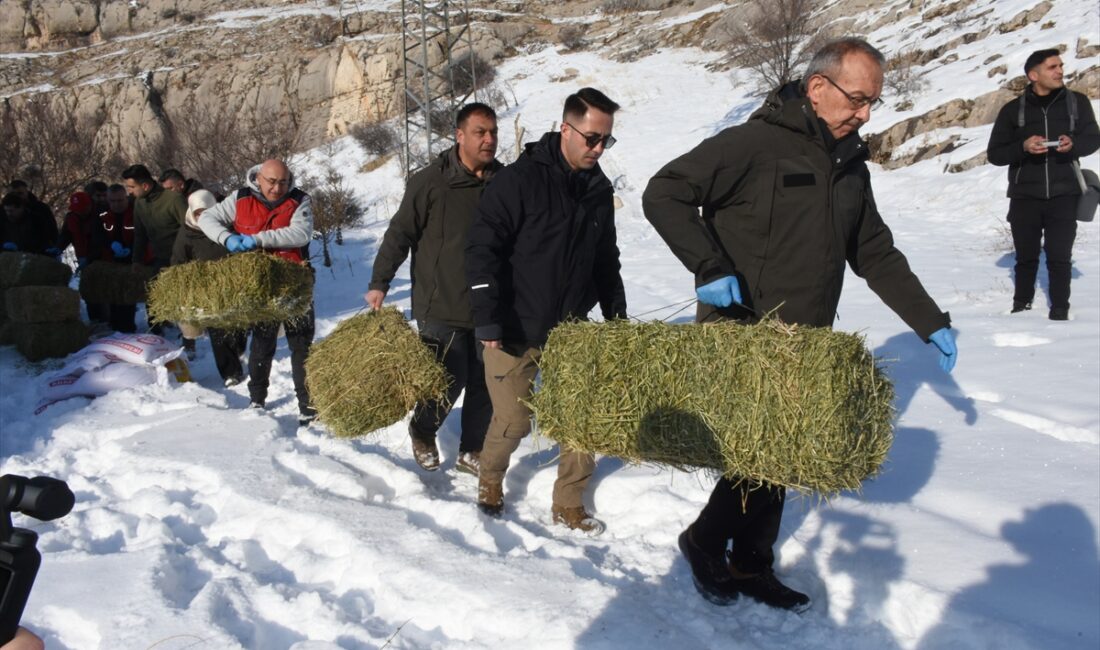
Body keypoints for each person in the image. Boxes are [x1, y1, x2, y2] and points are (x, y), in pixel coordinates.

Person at [642, 38, 957, 611]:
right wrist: (708, 265)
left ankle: (750, 562)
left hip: (805, 338)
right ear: (818, 89)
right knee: (755, 451)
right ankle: (705, 542)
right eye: (858, 99)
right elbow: (664, 192)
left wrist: (929, 320)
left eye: (872, 103)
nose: (864, 113)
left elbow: (875, 252)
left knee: (780, 453)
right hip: (743, 331)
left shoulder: (849, 166)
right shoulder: (753, 144)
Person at [465, 88, 627, 534]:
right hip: (514, 325)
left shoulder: (597, 189)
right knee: (514, 419)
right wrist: (488, 316)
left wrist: (617, 315)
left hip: (571, 327)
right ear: (566, 128)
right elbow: (482, 250)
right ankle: (491, 477)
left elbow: (605, 257)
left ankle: (569, 502)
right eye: (592, 138)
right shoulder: (518, 181)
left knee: (580, 415)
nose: (597, 149)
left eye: (605, 141)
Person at [366, 103, 502, 475]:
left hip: (487, 303)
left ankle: (471, 449)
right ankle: (422, 431)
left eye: (493, 132)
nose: (489, 139)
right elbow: (400, 233)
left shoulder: (504, 181)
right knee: (447, 378)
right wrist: (380, 282)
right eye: (480, 132)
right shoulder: (430, 182)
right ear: (459, 136)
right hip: (438, 301)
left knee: (486, 382)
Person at [199, 159, 317, 426]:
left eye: (283, 182)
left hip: (294, 281)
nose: (277, 188)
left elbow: (301, 233)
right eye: (272, 182)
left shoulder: (300, 200)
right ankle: (257, 399)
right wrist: (226, 238)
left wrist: (259, 239)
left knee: (301, 344)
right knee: (263, 343)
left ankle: (307, 405)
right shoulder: (240, 198)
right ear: (259, 178)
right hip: (259, 284)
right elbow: (207, 217)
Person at [986, 48, 1100, 321]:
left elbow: (1093, 139)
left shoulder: (1077, 103)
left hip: (1065, 194)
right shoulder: (1013, 110)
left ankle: (1060, 310)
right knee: (1026, 257)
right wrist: (1023, 147)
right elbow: (995, 154)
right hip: (1025, 195)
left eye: (1060, 65)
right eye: (1053, 67)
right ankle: (1021, 305)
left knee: (1060, 257)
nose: (1060, 71)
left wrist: (1073, 146)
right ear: (1033, 75)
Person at [171, 189, 248, 380]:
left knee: (238, 325)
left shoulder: (228, 226)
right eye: (198, 213)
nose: (202, 218)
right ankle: (230, 373)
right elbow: (178, 262)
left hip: (233, 285)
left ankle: (239, 349)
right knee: (217, 330)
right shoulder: (187, 233)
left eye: (206, 213)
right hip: (207, 290)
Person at [122, 163, 186, 334]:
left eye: (132, 187)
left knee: (185, 303)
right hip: (160, 258)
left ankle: (190, 341)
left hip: (182, 259)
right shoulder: (139, 204)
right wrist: (136, 259)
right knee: (153, 296)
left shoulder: (174, 200)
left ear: (145, 185)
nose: (129, 191)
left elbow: (190, 230)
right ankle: (156, 334)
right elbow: (140, 234)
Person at [57, 190, 109, 321]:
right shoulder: (71, 217)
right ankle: (95, 319)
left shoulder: (100, 215)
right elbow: (66, 235)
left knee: (103, 289)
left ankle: (107, 318)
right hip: (82, 257)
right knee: (89, 289)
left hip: (101, 258)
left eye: (82, 209)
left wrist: (90, 258)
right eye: (76, 210)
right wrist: (57, 248)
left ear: (88, 206)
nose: (79, 212)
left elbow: (102, 240)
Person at [97, 184, 141, 333]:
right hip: (111, 260)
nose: (117, 204)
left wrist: (132, 249)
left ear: (126, 198)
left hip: (132, 259)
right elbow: (97, 235)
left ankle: (128, 326)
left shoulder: (137, 212)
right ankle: (114, 324)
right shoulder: (102, 214)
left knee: (128, 294)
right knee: (113, 294)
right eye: (113, 201)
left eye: (120, 200)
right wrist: (111, 245)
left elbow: (144, 234)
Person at [1, 192, 58, 256]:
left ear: (21, 208)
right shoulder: (3, 221)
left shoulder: (36, 221)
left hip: (33, 258)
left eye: (11, 211)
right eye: (6, 211)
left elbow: (43, 241)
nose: (8, 214)